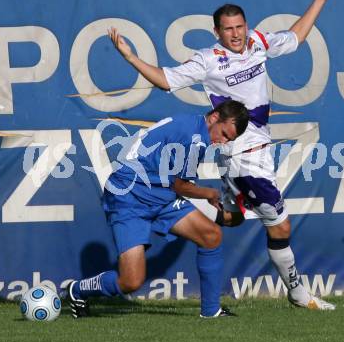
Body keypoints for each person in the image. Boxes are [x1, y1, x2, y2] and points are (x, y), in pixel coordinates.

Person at [106, 0, 338, 310]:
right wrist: (130, 58)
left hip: (260, 149)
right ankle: (298, 294)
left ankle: (176, 203)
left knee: (233, 219)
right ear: (217, 32)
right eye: (228, 29)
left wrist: (319, 0)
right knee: (280, 222)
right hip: (242, 156)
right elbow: (167, 81)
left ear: (246, 25)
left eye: (239, 26)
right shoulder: (208, 60)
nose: (236, 34)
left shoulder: (258, 41)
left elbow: (296, 37)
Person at [67, 100, 249, 318]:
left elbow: (174, 182)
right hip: (130, 197)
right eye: (224, 133)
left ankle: (211, 311)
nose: (223, 141)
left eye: (229, 139)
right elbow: (179, 185)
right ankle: (76, 291)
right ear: (214, 117)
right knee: (131, 282)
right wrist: (210, 194)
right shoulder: (193, 137)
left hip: (159, 195)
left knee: (210, 236)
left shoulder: (192, 126)